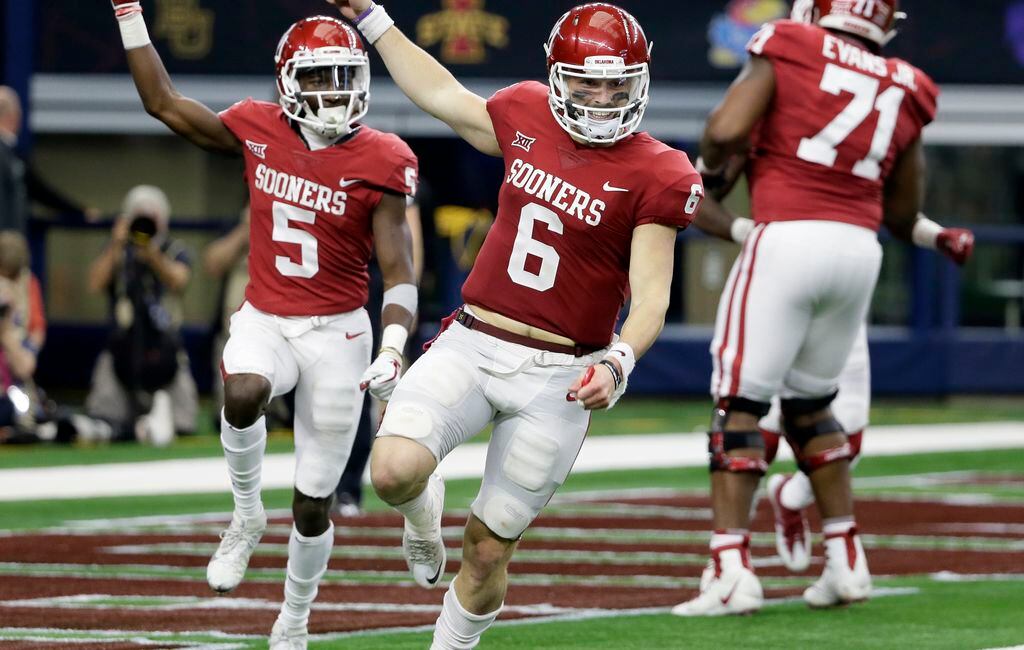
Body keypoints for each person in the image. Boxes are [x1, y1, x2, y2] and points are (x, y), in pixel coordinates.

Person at [327, 2, 702, 647]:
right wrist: (372, 19)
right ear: (558, 76)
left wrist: (620, 360)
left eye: (618, 84)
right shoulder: (524, 112)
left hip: (560, 373)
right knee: (390, 471)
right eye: (588, 82)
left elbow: (650, 299)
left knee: (486, 553)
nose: (604, 98)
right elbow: (441, 93)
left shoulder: (659, 171)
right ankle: (423, 514)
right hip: (475, 339)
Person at [108, 4, 419, 647]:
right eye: (319, 77)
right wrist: (129, 12)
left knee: (313, 504)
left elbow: (400, 268)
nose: (334, 92)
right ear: (288, 82)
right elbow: (162, 102)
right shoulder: (257, 128)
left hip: (339, 332)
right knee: (243, 390)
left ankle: (295, 616)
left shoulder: (383, 157)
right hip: (268, 317)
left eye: (344, 75)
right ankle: (246, 516)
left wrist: (393, 346)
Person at [671, 0, 945, 616]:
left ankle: (730, 569)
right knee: (812, 405)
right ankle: (847, 561)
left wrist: (712, 170)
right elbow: (902, 211)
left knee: (739, 405)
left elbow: (724, 129)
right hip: (858, 251)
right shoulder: (908, 83)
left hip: (788, 235)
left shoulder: (793, 42)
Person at [693, 186, 975, 573]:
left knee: (846, 436)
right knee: (753, 419)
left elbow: (895, 207)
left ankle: (792, 500)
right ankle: (729, 557)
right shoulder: (769, 132)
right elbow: (700, 182)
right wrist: (748, 231)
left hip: (838, 289)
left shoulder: (875, 132)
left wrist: (936, 236)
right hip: (780, 280)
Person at [85, 184, 197, 445]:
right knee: (104, 420)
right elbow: (94, 284)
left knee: (184, 425)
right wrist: (116, 244)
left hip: (166, 349)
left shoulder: (173, 249)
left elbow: (179, 281)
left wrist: (153, 256)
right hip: (120, 347)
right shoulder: (117, 249)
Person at [334, 192, 424, 517]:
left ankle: (402, 482)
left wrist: (405, 306)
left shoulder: (388, 169)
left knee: (386, 391)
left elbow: (409, 244)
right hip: (340, 286)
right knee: (342, 391)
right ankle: (341, 487)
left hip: (380, 286)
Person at [0, 86, 99, 233]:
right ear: (15, 116)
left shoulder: (12, 153)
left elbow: (36, 188)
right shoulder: (8, 155)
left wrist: (78, 211)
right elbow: (38, 189)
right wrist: (79, 211)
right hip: (7, 243)